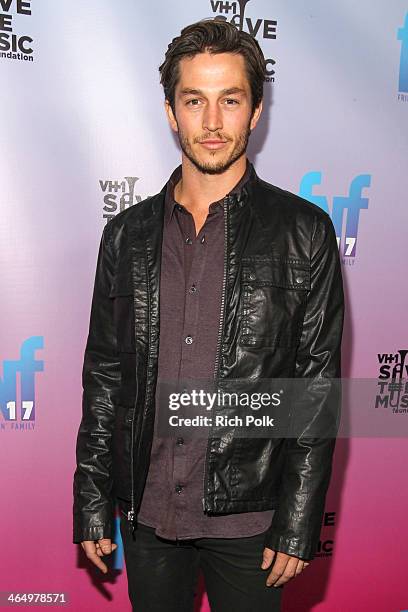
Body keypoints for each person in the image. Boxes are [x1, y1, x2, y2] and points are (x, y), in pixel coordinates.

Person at [73, 18, 344, 612]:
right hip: (147, 515)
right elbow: (104, 379)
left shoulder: (304, 233)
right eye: (195, 100)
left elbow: (316, 392)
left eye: (231, 99)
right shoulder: (126, 236)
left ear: (256, 110)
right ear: (172, 111)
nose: (213, 122)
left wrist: (299, 521)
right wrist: (93, 497)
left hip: (252, 522)